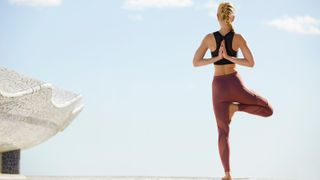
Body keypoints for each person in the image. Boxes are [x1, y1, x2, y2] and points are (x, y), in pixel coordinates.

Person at [192, 2, 274, 180]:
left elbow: (196, 62)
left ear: (217, 17)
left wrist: (217, 57)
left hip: (218, 87)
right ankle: (236, 108)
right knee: (268, 110)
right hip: (235, 84)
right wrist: (230, 57)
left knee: (222, 132)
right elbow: (251, 63)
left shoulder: (208, 38)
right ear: (233, 18)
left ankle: (227, 174)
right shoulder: (238, 38)